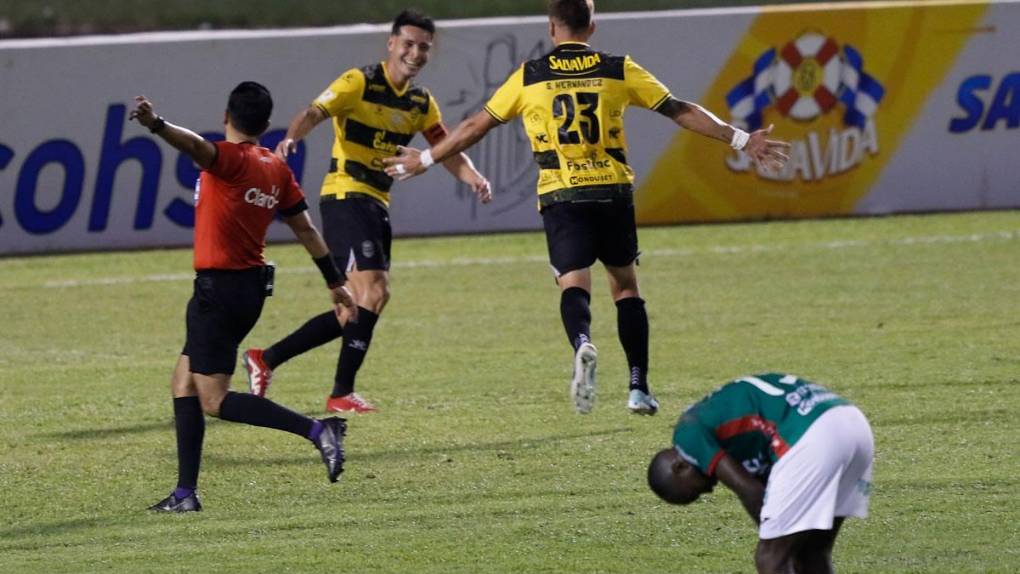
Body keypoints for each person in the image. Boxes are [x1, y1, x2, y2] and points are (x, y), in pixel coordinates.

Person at [384, 0, 790, 415]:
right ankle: (638, 388)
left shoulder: (531, 76)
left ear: (552, 28)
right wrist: (741, 139)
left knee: (573, 285)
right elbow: (681, 110)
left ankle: (582, 343)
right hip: (612, 192)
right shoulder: (618, 68)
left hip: (562, 195)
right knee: (626, 287)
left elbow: (475, 126)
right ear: (592, 26)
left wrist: (425, 159)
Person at [242, 9, 492, 414]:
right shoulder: (358, 81)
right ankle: (341, 393)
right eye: (408, 44)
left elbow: (446, 149)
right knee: (374, 292)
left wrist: (474, 178)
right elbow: (313, 113)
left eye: (423, 47)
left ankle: (265, 359)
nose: (415, 53)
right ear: (391, 44)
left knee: (354, 308)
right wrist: (291, 139)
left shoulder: (419, 102)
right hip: (345, 196)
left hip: (376, 203)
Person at [130, 82, 359, 513]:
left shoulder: (229, 160)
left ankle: (317, 431)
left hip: (218, 292)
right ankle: (184, 494)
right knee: (183, 382)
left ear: (225, 117)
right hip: (246, 290)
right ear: (267, 125)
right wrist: (334, 280)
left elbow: (195, 146)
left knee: (214, 399)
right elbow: (306, 229)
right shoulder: (275, 168)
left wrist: (156, 125)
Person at [647, 373, 874, 574]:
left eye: (695, 491)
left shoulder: (687, 435)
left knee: (771, 558)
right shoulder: (726, 431)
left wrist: (773, 535)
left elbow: (750, 491)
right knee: (811, 554)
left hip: (812, 434)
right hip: (852, 423)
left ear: (679, 467)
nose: (709, 489)